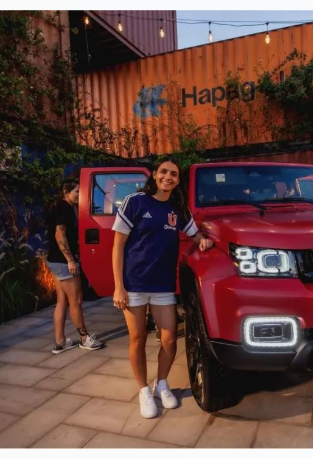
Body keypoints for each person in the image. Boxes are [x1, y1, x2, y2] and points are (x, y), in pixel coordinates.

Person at [111, 158, 214, 419]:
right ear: (155, 174)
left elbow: (195, 234)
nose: (168, 177)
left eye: (174, 174)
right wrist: (119, 287)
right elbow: (117, 246)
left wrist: (204, 241)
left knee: (168, 339)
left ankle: (162, 383)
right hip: (134, 284)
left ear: (178, 181)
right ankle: (143, 390)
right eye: (164, 172)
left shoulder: (177, 208)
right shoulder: (135, 202)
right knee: (137, 339)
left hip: (163, 285)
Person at [46, 178, 104, 354]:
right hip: (63, 263)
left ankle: (60, 342)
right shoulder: (65, 209)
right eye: (77, 191)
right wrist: (70, 260)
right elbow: (59, 235)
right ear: (66, 192)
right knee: (76, 301)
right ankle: (84, 339)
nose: (80, 194)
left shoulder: (61, 207)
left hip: (54, 261)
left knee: (62, 302)